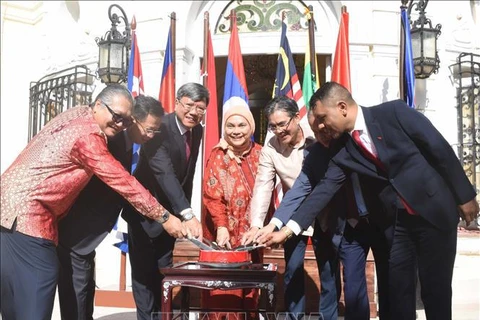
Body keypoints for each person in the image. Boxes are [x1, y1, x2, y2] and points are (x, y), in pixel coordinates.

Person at [261, 82, 479, 320]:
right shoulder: (344, 148)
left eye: (323, 118)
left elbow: (438, 147)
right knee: (399, 294)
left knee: (434, 290)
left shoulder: (394, 113)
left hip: (433, 212)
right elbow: (323, 190)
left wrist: (465, 196)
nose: (321, 126)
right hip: (399, 225)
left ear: (342, 107)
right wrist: (287, 230)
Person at [0, 84, 186, 320]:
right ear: (98, 104)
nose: (120, 125)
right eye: (117, 116)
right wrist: (165, 217)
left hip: (8, 211)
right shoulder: (89, 137)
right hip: (29, 216)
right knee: (42, 279)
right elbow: (121, 181)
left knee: (16, 298)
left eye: (127, 121)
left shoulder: (78, 113)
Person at [255, 108, 392, 320]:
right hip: (315, 219)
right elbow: (297, 189)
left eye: (282, 124)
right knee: (327, 279)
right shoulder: (312, 152)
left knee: (387, 281)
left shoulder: (352, 140)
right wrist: (273, 226)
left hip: (366, 218)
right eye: (273, 126)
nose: (321, 136)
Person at [56, 95, 164, 320]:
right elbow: (121, 183)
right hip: (77, 231)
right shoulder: (109, 140)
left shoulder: (136, 146)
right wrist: (164, 217)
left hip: (92, 233)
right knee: (77, 293)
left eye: (156, 131)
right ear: (133, 120)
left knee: (85, 290)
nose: (151, 136)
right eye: (149, 129)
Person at [240, 96, 340, 320]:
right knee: (293, 270)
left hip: (326, 212)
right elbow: (263, 186)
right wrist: (257, 225)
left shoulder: (318, 137)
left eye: (283, 124)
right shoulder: (270, 149)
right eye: (273, 126)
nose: (279, 130)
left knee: (328, 271)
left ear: (296, 117)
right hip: (292, 213)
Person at [122, 82, 209, 320]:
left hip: (172, 217)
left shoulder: (197, 130)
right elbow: (164, 173)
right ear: (178, 101)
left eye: (200, 108)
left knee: (164, 273)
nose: (194, 112)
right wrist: (188, 214)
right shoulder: (159, 126)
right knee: (143, 274)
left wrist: (183, 213)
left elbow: (187, 176)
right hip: (145, 212)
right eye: (189, 105)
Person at [202, 104, 262, 319]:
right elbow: (212, 195)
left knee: (250, 290)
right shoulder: (218, 155)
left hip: (252, 237)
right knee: (224, 290)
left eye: (241, 125)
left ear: (251, 127)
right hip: (223, 237)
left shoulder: (261, 154)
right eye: (230, 125)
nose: (236, 130)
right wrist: (221, 226)